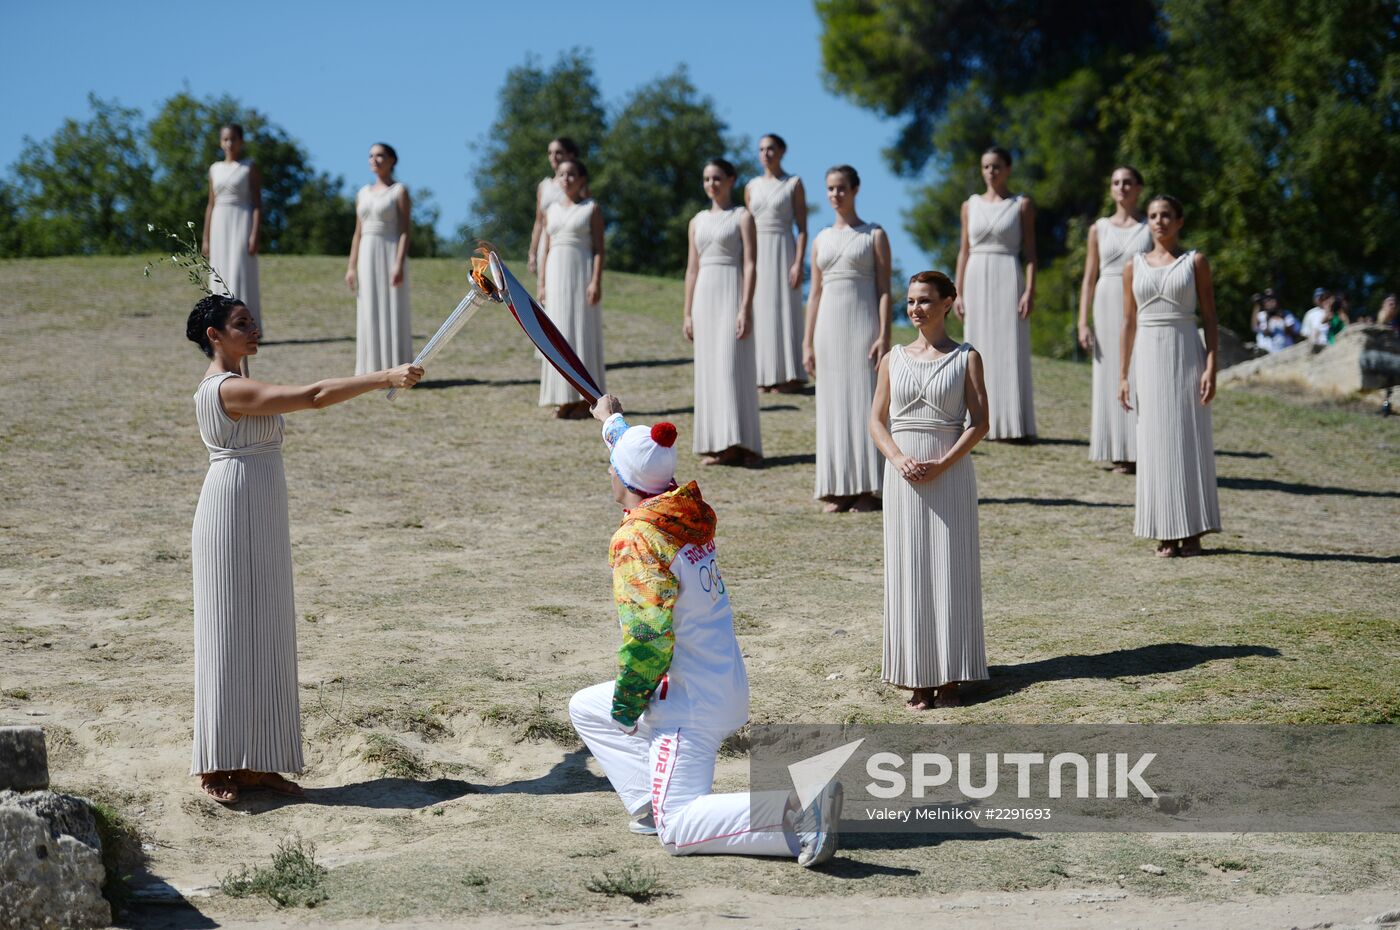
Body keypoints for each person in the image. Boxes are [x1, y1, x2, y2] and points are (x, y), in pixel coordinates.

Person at [568, 393, 842, 867]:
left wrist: (631, 702)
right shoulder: (679, 509)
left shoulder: (638, 539)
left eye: (611, 466)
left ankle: (798, 805)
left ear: (622, 477)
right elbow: (645, 456)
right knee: (588, 709)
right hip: (721, 678)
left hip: (687, 702)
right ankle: (651, 805)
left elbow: (649, 637)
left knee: (679, 830)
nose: (608, 473)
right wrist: (613, 422)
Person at [185, 294, 421, 803]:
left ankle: (262, 761)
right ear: (214, 335)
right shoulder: (226, 389)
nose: (255, 330)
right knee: (228, 632)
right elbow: (314, 396)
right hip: (229, 512)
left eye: (253, 322)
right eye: (241, 324)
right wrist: (383, 377)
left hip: (262, 507)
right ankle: (217, 763)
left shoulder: (241, 382)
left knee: (268, 631)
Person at [870, 271, 990, 709]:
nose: (915, 308)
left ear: (948, 303)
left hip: (950, 476)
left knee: (950, 570)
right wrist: (898, 458)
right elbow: (876, 421)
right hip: (903, 479)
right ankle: (916, 676)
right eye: (910, 301)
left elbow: (980, 423)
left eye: (924, 300)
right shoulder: (892, 359)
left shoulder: (966, 358)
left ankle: (952, 677)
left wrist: (943, 463)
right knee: (910, 571)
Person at [1120, 195, 1222, 558]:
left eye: (1166, 216)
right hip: (1147, 357)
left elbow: (1210, 317)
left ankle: (1193, 530)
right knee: (1154, 442)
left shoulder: (1195, 262)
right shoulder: (1134, 266)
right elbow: (1129, 322)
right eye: (1152, 216)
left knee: (1187, 438)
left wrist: (1211, 365)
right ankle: (1164, 529)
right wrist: (1122, 375)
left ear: (1179, 221)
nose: (1159, 222)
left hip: (1185, 353)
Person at [804, 165, 891, 513]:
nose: (835, 195)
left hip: (862, 328)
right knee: (832, 406)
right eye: (829, 189)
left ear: (855, 190)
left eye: (841, 188)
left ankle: (869, 488)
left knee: (863, 403)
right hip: (828, 329)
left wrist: (884, 334)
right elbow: (814, 294)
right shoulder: (821, 238)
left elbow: (885, 290)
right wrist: (806, 342)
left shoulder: (874, 234)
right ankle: (838, 487)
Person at [954, 146, 1036, 441]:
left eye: (997, 166)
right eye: (986, 166)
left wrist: (1029, 290)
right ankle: (978, 420)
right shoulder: (970, 205)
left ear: (1008, 169)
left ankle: (1013, 423)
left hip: (1008, 275)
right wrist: (958, 291)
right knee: (977, 347)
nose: (991, 172)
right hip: (977, 275)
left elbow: (1031, 253)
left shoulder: (1021, 204)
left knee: (1008, 347)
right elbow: (964, 250)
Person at [684, 158, 762, 466]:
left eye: (717, 178)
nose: (711, 184)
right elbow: (691, 269)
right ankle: (717, 443)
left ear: (731, 180)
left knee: (732, 366)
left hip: (731, 291)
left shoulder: (742, 216)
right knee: (710, 370)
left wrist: (745, 306)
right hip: (705, 296)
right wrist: (687, 312)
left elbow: (751, 263)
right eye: (706, 179)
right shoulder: (697, 221)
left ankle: (740, 443)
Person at [1078, 166, 1151, 474]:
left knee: (1136, 372)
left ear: (1138, 188)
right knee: (1108, 374)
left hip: (1137, 300)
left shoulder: (1150, 227)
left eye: (1127, 182)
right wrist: (1082, 321)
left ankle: (1139, 447)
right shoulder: (1099, 228)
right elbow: (1089, 277)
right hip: (1106, 298)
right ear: (1111, 189)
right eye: (1116, 182)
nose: (1121, 187)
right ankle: (1116, 448)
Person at [540, 158, 606, 419]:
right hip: (555, 272)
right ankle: (562, 397)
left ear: (582, 180)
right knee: (558, 332)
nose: (566, 179)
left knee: (581, 330)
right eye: (562, 175)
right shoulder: (551, 210)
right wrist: (542, 283)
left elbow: (600, 249)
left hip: (581, 273)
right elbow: (545, 249)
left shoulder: (591, 209)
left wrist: (595, 281)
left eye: (572, 175)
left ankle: (584, 399)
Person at [745, 133, 808, 393]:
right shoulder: (751, 186)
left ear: (782, 151)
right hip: (758, 252)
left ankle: (789, 376)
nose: (765, 154)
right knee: (760, 310)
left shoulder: (793, 183)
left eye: (771, 149)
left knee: (784, 309)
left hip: (784, 249)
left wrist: (798, 262)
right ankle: (762, 376)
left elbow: (802, 228)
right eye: (761, 149)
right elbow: (745, 226)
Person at [346, 143, 413, 374]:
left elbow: (405, 230)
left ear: (392, 160)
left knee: (391, 305)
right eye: (371, 156)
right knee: (368, 306)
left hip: (390, 250)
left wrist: (398, 263)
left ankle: (395, 367)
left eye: (380, 156)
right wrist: (351, 267)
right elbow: (358, 232)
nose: (375, 160)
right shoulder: (362, 193)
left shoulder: (399, 191)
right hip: (367, 252)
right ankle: (370, 368)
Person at [202, 124, 262, 339]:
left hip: (241, 221)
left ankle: (246, 325)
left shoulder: (248, 167)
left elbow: (257, 202)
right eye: (226, 139)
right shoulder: (214, 169)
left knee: (239, 271)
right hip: (220, 222)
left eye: (234, 139)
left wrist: (255, 233)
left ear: (241, 141)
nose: (230, 144)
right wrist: (206, 237)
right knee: (220, 272)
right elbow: (211, 203)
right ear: (221, 142)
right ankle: (221, 324)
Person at [528, 137, 581, 294]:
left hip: (565, 240)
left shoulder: (576, 184)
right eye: (550, 153)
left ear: (570, 155)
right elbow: (539, 221)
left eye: (558, 152)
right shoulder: (544, 186)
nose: (553, 157)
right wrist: (532, 252)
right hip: (545, 241)